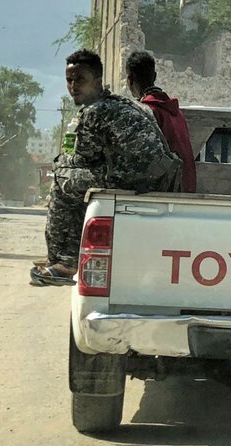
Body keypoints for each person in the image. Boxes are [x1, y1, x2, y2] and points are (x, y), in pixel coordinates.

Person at [33, 48, 178, 287]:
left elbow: (83, 160)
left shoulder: (94, 112)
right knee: (77, 177)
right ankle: (68, 255)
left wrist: (62, 164)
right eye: (69, 80)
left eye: (80, 80)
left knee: (63, 179)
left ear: (97, 81)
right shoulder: (117, 104)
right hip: (158, 176)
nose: (73, 86)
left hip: (137, 179)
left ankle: (64, 261)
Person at [125, 49, 197, 193]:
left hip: (166, 191)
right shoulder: (176, 112)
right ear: (155, 76)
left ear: (130, 80)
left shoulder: (145, 112)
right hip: (186, 186)